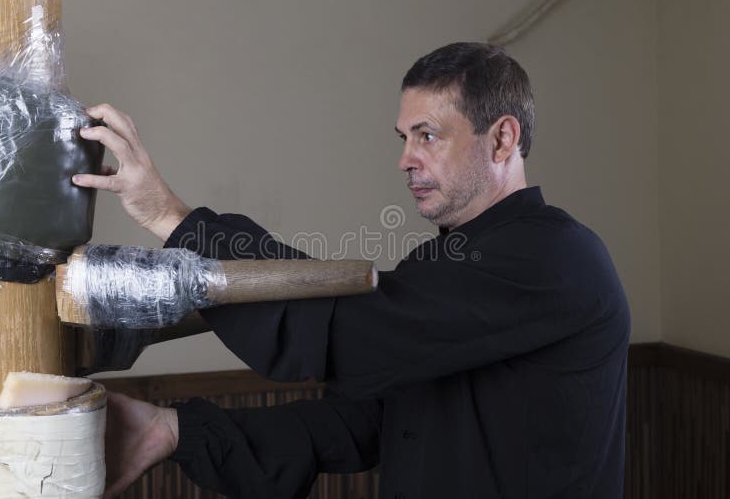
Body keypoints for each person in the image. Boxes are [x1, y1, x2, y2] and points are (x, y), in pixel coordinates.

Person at [73, 42, 630, 499]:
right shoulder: (438, 264)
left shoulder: (557, 261)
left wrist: (170, 216)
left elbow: (348, 332)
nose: (406, 158)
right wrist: (174, 431)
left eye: (428, 135)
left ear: (502, 138)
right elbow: (364, 421)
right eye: (404, 137)